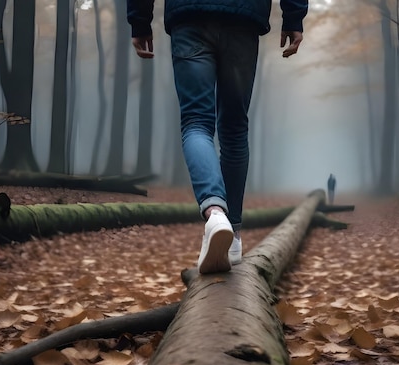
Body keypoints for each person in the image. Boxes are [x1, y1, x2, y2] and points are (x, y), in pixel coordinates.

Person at [127, 0, 308, 273]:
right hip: (242, 19)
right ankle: (232, 236)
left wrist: (140, 21)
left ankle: (214, 214)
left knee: (196, 122)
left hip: (190, 17)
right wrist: (293, 17)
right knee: (235, 129)